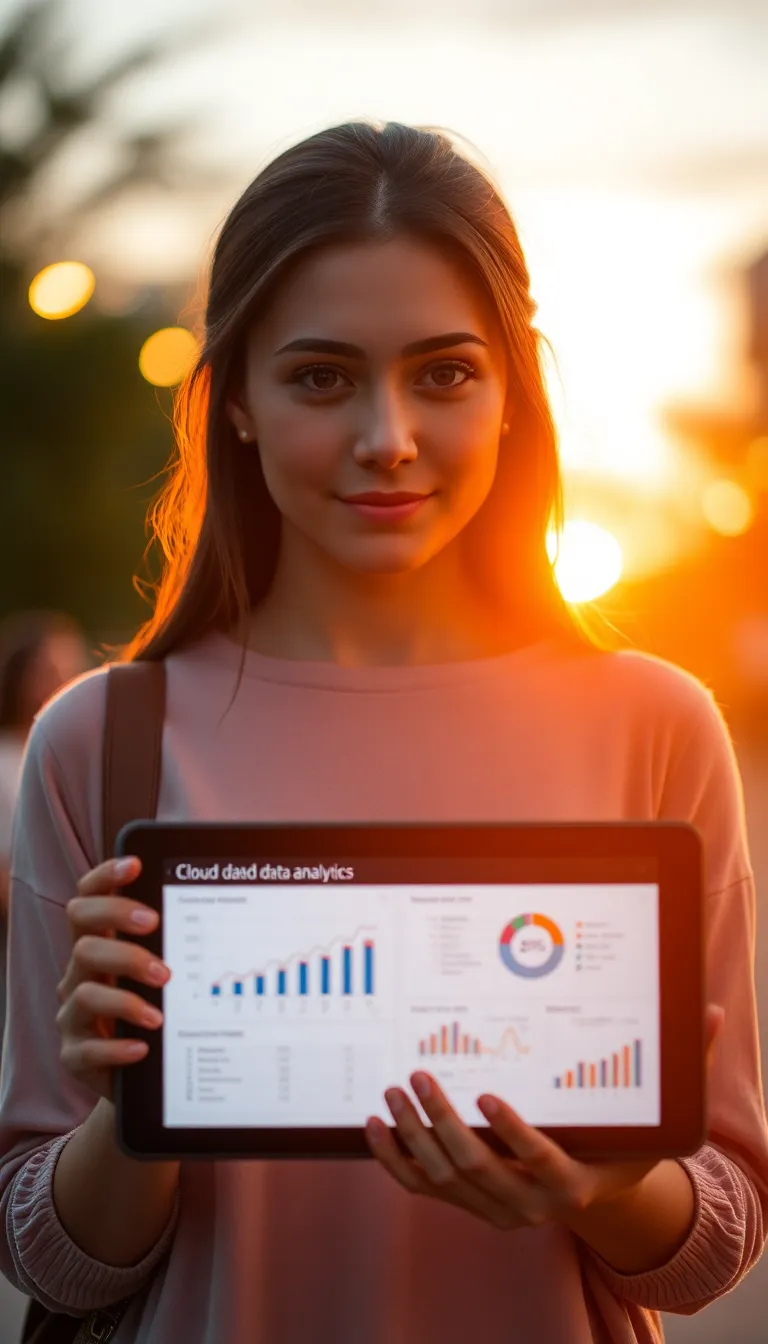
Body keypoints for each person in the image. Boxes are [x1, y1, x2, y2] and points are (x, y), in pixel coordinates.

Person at [0, 120, 766, 1344]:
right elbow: (52, 1261)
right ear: (235, 400)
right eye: (320, 376)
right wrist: (135, 1110)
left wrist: (611, 1192)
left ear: (514, 392)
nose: (388, 436)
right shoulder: (101, 739)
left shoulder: (653, 724)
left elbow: (714, 1241)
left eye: (446, 373)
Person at [0, 611, 89, 1044]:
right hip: (26, 943)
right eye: (47, 670)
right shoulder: (5, 762)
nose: (61, 679)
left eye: (66, 667)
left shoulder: (73, 754)